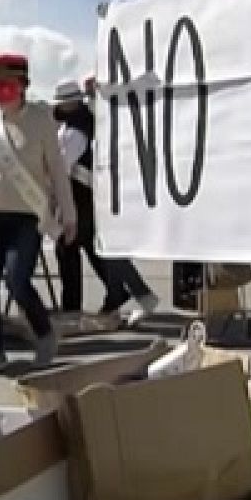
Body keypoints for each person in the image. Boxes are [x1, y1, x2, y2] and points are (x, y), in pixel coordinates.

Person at [0, 53, 76, 375]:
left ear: (22, 85)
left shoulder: (41, 120)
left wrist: (69, 215)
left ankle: (45, 334)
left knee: (17, 280)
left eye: (6, 84)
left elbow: (58, 171)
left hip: (27, 217)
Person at [50, 79, 161, 325]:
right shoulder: (82, 123)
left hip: (81, 196)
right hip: (87, 195)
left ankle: (78, 306)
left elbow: (62, 165)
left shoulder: (77, 129)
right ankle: (120, 293)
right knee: (97, 249)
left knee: (76, 249)